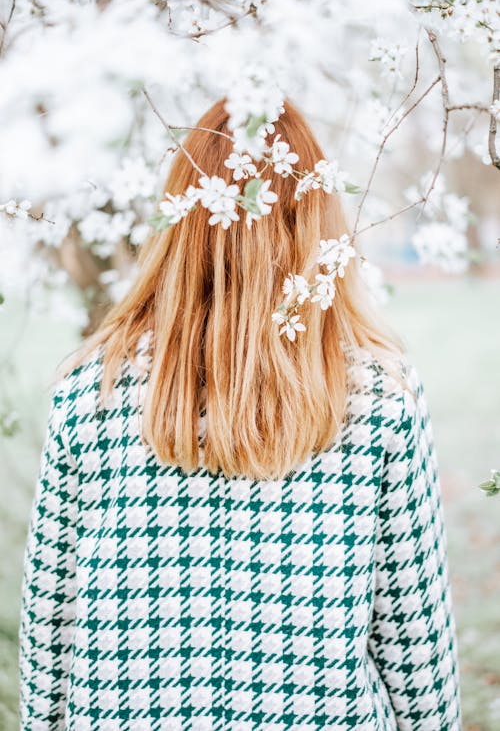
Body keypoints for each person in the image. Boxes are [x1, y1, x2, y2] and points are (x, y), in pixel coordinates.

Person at [18, 98, 461, 730]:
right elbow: (417, 655)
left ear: (178, 223)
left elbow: (50, 641)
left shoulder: (93, 392)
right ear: (317, 226)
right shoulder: (381, 399)